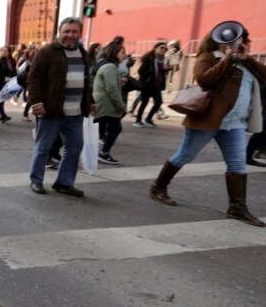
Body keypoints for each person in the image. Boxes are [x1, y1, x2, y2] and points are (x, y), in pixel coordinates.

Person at [150, 21, 266, 226]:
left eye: (242, 39)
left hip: (234, 123)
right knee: (185, 155)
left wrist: (247, 59)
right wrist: (229, 59)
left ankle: (237, 208)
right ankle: (158, 187)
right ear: (219, 42)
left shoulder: (245, 61)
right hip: (208, 119)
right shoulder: (207, 57)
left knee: (238, 164)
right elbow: (204, 79)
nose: (239, 43)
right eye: (232, 41)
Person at [26, 17, 95, 197]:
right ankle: (36, 180)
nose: (70, 35)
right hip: (51, 110)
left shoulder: (83, 53)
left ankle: (64, 182)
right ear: (59, 32)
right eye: (66, 31)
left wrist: (91, 101)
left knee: (75, 146)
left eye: (74, 31)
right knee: (43, 147)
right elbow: (33, 78)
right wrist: (37, 103)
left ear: (79, 33)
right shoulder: (47, 51)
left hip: (75, 113)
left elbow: (86, 81)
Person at [92, 40, 127, 164]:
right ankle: (104, 153)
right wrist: (121, 105)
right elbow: (111, 88)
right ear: (114, 53)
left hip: (103, 103)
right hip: (106, 105)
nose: (124, 55)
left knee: (97, 129)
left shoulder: (106, 65)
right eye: (122, 52)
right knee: (115, 128)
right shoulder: (110, 67)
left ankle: (99, 153)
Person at [134, 41, 170, 127]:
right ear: (155, 48)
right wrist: (148, 78)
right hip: (147, 85)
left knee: (158, 102)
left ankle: (148, 119)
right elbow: (141, 71)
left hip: (156, 85)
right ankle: (137, 121)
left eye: (165, 48)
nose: (163, 49)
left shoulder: (162, 59)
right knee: (144, 103)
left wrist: (166, 69)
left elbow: (161, 73)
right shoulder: (149, 58)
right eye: (161, 47)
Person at [0, 45, 16, 122]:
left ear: (9, 52)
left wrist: (13, 78)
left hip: (8, 83)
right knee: (2, 98)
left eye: (5, 51)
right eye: (2, 50)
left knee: (2, 99)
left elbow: (14, 71)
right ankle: (3, 115)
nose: (3, 52)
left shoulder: (11, 61)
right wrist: (4, 78)